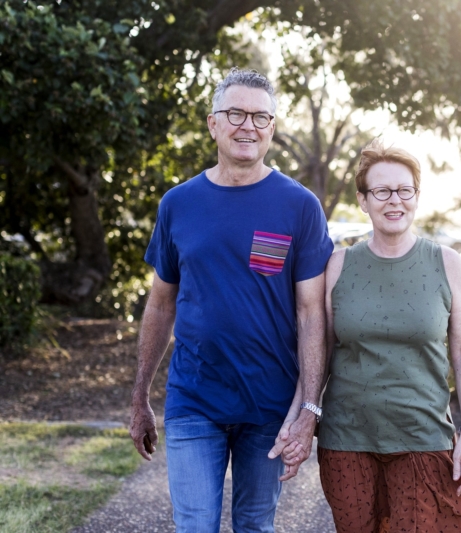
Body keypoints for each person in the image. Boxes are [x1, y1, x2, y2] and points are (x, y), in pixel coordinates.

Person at [128, 67, 333, 533]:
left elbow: (311, 315)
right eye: (236, 113)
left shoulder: (300, 206)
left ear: (272, 129)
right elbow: (160, 305)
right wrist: (140, 397)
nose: (248, 126)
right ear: (213, 123)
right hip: (194, 398)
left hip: (269, 404)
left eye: (261, 117)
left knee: (254, 526)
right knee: (195, 525)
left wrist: (308, 409)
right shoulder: (178, 203)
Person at [316, 139, 461, 533]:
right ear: (363, 200)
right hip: (346, 439)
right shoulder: (338, 265)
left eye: (405, 190)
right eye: (382, 191)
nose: (395, 200)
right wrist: (303, 415)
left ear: (417, 197)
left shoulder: (447, 263)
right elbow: (320, 352)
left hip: (423, 436)